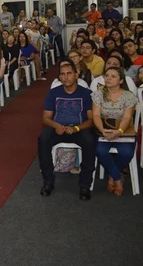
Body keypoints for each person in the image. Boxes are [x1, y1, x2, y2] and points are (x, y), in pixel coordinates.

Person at [37, 59, 95, 200]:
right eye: (62, 74)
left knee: (90, 141)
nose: (66, 77)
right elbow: (45, 119)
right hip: (59, 128)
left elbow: (91, 120)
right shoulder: (53, 93)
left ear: (76, 75)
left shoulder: (86, 93)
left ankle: (84, 185)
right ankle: (48, 181)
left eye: (69, 73)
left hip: (79, 129)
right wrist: (56, 125)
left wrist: (75, 128)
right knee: (43, 139)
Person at [92, 67, 138, 196]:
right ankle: (118, 178)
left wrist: (119, 131)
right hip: (104, 129)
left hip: (123, 130)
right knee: (100, 151)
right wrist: (102, 130)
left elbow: (128, 117)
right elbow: (95, 115)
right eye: (107, 75)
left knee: (127, 153)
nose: (108, 78)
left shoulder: (129, 96)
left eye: (113, 76)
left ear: (121, 80)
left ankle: (113, 176)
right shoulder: (98, 94)